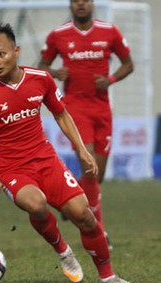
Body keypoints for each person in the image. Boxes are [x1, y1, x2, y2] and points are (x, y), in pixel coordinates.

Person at [0, 23, 139, 283]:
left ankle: (108, 278)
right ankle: (62, 249)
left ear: (16, 51)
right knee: (37, 204)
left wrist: (81, 149)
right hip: (11, 167)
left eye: (1, 54)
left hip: (45, 159)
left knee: (84, 215)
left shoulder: (40, 79)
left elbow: (61, 113)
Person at [38, 0, 134, 249]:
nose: (81, 4)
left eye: (85, 0)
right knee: (89, 168)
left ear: (92, 4)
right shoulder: (58, 35)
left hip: (102, 110)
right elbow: (42, 66)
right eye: (75, 0)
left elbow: (128, 64)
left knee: (97, 175)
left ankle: (65, 201)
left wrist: (111, 79)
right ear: (71, 5)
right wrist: (56, 73)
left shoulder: (109, 31)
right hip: (74, 109)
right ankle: (99, 232)